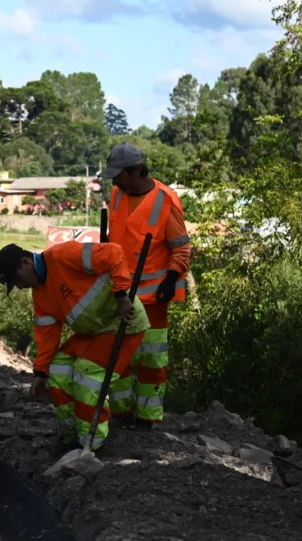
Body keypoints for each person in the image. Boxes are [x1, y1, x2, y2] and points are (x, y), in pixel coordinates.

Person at [0, 240, 150, 451]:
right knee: (57, 369)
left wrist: (121, 296)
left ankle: (92, 445)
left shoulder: (63, 255)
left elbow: (114, 252)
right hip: (92, 331)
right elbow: (47, 335)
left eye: (18, 279)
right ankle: (71, 436)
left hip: (122, 323)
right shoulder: (40, 294)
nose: (20, 286)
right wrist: (40, 373)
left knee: (88, 376)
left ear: (26, 262)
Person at [99, 142, 193, 430]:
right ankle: (122, 413)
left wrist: (170, 278)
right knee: (119, 359)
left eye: (118, 174)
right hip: (120, 294)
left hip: (153, 300)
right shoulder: (118, 194)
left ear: (136, 171)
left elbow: (182, 249)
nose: (113, 181)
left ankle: (148, 421)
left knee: (152, 360)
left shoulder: (166, 201)